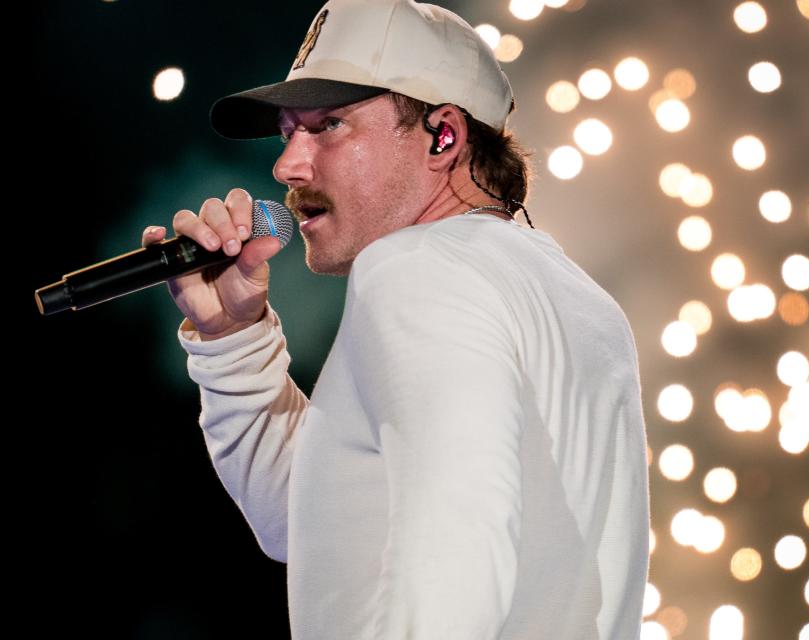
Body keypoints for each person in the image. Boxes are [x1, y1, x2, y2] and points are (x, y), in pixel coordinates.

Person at [143, 1, 650, 638]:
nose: (287, 166)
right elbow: (317, 524)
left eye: (328, 125)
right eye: (286, 133)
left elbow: (458, 539)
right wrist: (234, 340)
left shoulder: (411, 267)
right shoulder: (584, 304)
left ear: (444, 135)